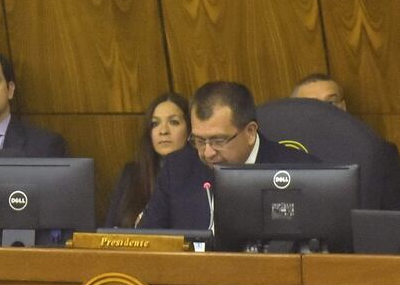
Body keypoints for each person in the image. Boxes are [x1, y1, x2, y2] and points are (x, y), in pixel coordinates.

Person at [141, 81, 318, 230]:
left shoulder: (301, 171)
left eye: (218, 140)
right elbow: (147, 241)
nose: (208, 153)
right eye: (199, 140)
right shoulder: (177, 169)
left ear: (250, 132)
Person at [291, 73, 400, 210]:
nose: (325, 110)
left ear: (343, 106)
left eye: (330, 103)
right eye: (313, 104)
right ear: (295, 111)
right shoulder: (283, 154)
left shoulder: (378, 152)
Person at [105, 92, 190, 227]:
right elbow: (108, 232)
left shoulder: (200, 176)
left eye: (173, 122)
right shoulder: (132, 174)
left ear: (190, 131)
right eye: (155, 124)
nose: (163, 131)